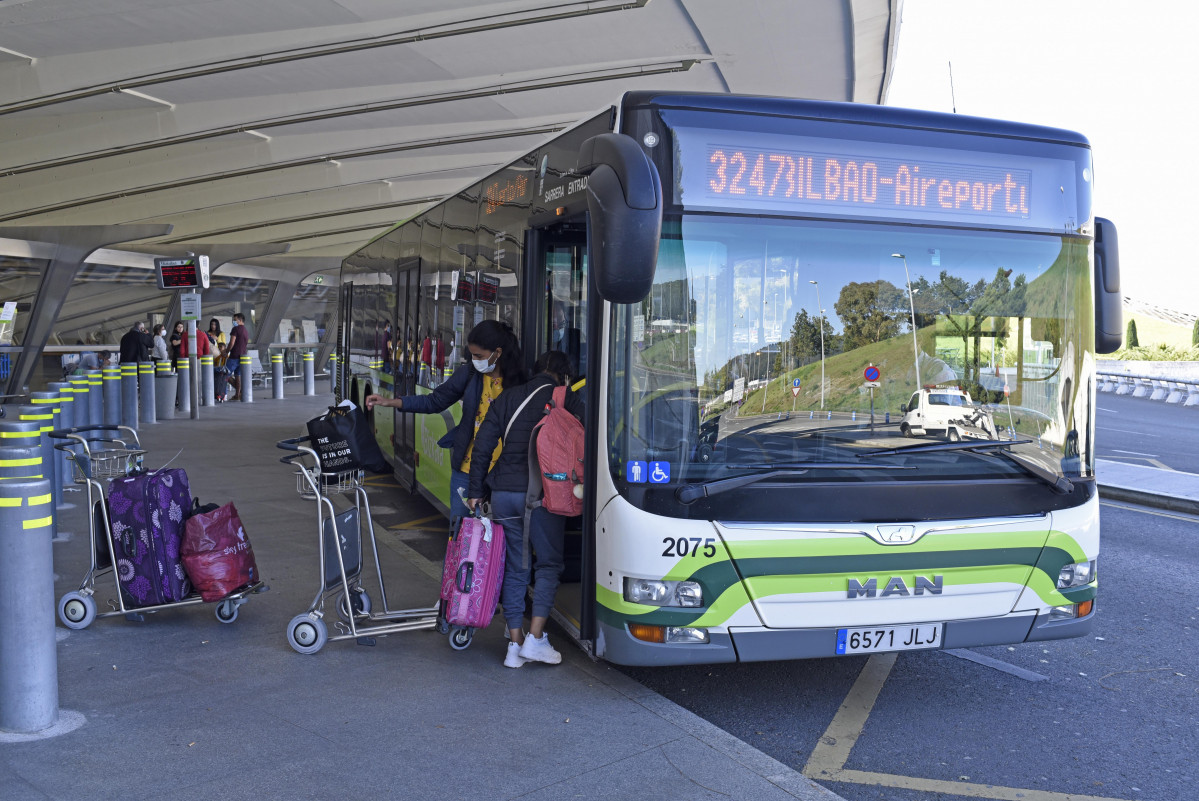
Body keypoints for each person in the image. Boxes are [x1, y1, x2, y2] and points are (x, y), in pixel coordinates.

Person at [465, 350, 583, 668]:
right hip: (544, 495)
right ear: (565, 377)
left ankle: (514, 644)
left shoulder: (508, 396)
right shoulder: (565, 397)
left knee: (515, 566)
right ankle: (536, 639)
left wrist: (476, 490)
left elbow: (483, 445)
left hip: (503, 492)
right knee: (548, 565)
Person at [364, 319, 525, 521]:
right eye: (472, 355)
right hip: (467, 470)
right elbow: (435, 401)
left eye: (479, 356)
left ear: (498, 353)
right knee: (460, 533)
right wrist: (390, 402)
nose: (474, 360)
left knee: (497, 540)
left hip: (504, 475)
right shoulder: (470, 374)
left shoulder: (522, 382)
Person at [551, 299, 583, 374]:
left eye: (558, 311)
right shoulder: (542, 337)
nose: (554, 316)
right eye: (552, 312)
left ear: (564, 313)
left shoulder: (575, 335)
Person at [226, 313, 249, 398]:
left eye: (235, 320)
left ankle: (240, 391)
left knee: (225, 374)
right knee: (237, 375)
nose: (234, 321)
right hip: (243, 356)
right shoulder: (246, 330)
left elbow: (232, 343)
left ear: (240, 320)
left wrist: (227, 351)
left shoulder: (235, 329)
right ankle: (237, 394)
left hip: (234, 355)